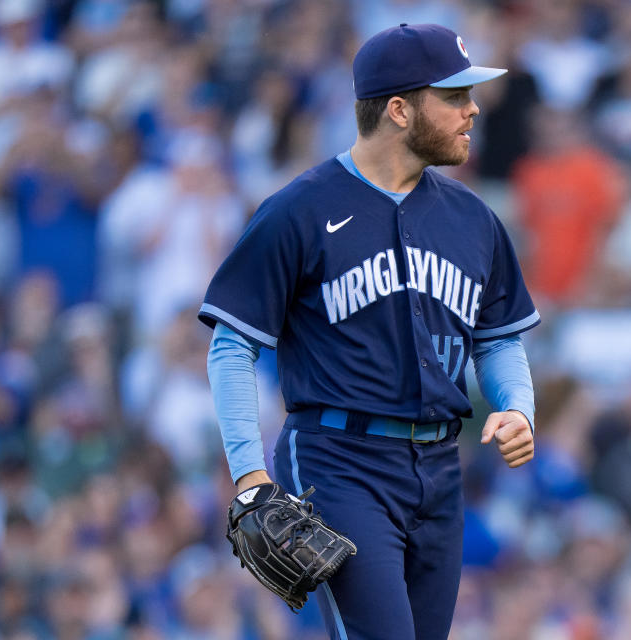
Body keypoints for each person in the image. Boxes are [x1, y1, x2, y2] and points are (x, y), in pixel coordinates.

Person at [198, 23, 539, 640]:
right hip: (338, 460)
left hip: (439, 465)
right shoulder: (297, 210)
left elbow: (497, 338)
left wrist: (519, 407)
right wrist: (249, 476)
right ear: (400, 110)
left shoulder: (473, 218)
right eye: (455, 96)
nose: (473, 110)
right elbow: (233, 345)